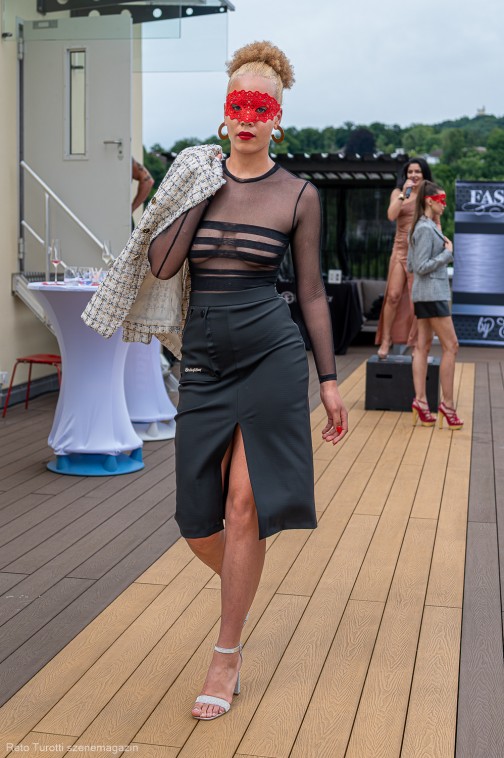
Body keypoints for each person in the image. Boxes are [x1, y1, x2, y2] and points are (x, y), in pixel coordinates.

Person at [147, 41, 348, 720]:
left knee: (243, 508)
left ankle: (225, 655)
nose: (248, 118)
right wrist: (198, 189)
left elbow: (312, 293)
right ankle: (243, 578)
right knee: (196, 522)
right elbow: (163, 264)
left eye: (261, 107)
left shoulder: (298, 195)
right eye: (239, 105)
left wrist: (328, 380)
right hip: (204, 363)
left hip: (272, 357)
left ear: (277, 119)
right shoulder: (198, 179)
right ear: (224, 113)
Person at [407, 180, 463, 430]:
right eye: (441, 200)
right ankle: (447, 406)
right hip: (432, 295)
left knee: (423, 346)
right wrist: (447, 254)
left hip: (424, 295)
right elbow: (419, 267)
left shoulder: (422, 226)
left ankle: (421, 402)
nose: (445, 204)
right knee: (451, 346)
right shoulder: (425, 228)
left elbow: (411, 265)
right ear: (429, 201)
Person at [375, 157, 433, 359]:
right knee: (393, 296)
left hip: (421, 252)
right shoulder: (398, 192)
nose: (414, 175)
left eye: (417, 171)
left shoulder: (430, 194)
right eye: (410, 172)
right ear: (405, 175)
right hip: (400, 250)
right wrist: (403, 194)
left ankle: (417, 343)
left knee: (417, 300)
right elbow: (391, 216)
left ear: (424, 174)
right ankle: (386, 340)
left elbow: (436, 222)